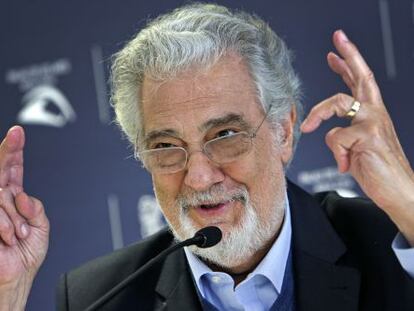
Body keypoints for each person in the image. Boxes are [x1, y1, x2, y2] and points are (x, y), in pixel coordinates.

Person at [0, 3, 413, 311]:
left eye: (225, 135)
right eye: (165, 146)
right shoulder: (99, 298)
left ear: (283, 131)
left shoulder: (389, 243)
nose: (198, 177)